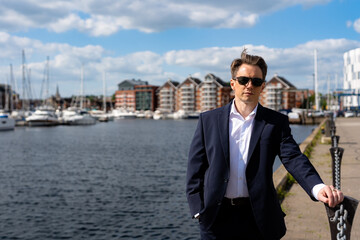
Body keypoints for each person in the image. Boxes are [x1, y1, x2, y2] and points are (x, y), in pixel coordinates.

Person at [185, 49, 344, 240]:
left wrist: (317, 187)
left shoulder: (276, 122)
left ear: (263, 86)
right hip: (215, 218)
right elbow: (195, 169)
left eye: (256, 81)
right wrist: (197, 209)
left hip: (259, 218)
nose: (249, 85)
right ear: (233, 83)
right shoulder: (208, 120)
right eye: (243, 80)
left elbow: (293, 158)